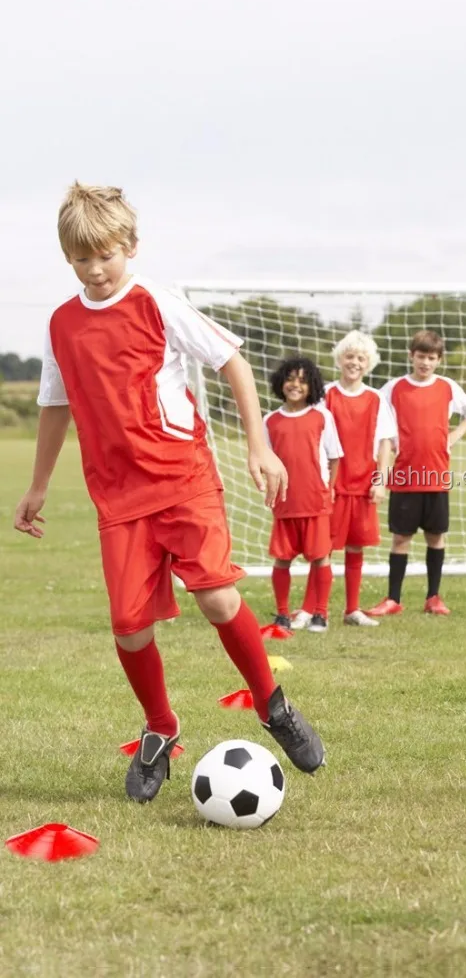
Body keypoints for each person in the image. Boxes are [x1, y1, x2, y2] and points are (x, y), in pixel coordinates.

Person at [13, 182, 325, 804]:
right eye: (82, 258)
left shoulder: (157, 301)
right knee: (129, 626)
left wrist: (258, 447)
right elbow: (55, 404)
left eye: (107, 254)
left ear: (131, 246)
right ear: (67, 258)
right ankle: (161, 728)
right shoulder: (61, 324)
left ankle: (273, 704)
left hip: (183, 479)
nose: (96, 269)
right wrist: (38, 485)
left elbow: (232, 362)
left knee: (215, 594)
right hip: (117, 497)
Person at [365, 329, 466, 616]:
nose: (425, 363)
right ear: (411, 356)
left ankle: (433, 597)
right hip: (404, 475)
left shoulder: (447, 387)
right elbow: (377, 420)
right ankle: (393, 599)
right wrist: (387, 446)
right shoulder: (393, 388)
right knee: (401, 538)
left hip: (436, 474)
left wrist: (453, 436)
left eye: (431, 358)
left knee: (436, 536)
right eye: (421, 356)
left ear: (438, 360)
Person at [298, 330, 395, 628]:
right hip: (330, 485)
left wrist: (381, 481)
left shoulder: (376, 398)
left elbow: (385, 444)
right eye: (350, 356)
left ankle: (352, 609)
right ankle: (313, 610)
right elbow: (311, 437)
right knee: (321, 549)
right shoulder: (325, 395)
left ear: (369, 364)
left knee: (356, 547)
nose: (355, 362)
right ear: (340, 359)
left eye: (361, 358)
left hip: (362, 484)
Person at [263, 357, 342, 634]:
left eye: (302, 380)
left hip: (315, 501)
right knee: (282, 558)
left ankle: (321, 614)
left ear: (312, 386)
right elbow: (265, 461)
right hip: (285, 502)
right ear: (280, 382)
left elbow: (334, 459)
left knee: (321, 557)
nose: (295, 385)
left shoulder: (322, 417)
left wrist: (327, 490)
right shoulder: (270, 420)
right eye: (290, 378)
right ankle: (283, 614)